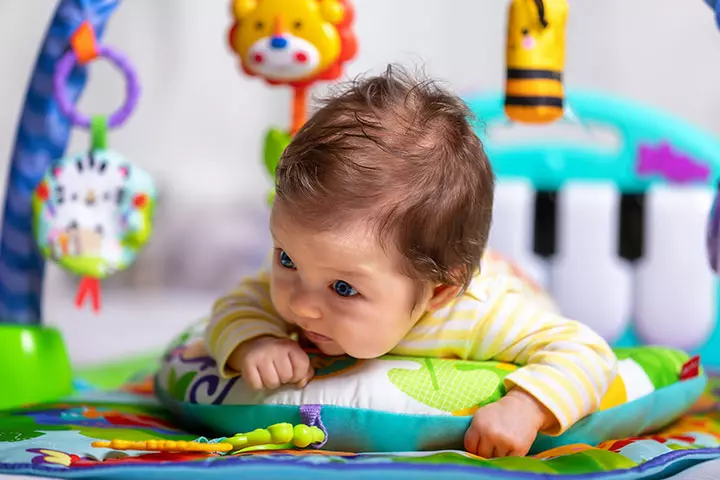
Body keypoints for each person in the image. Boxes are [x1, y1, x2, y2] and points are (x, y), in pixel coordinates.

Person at [204, 65, 617, 458]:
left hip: (505, 280)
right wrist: (254, 343)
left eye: (343, 288)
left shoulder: (481, 315)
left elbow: (587, 354)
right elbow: (235, 307)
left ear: (437, 293)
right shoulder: (320, 265)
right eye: (286, 258)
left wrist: (527, 407)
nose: (300, 306)